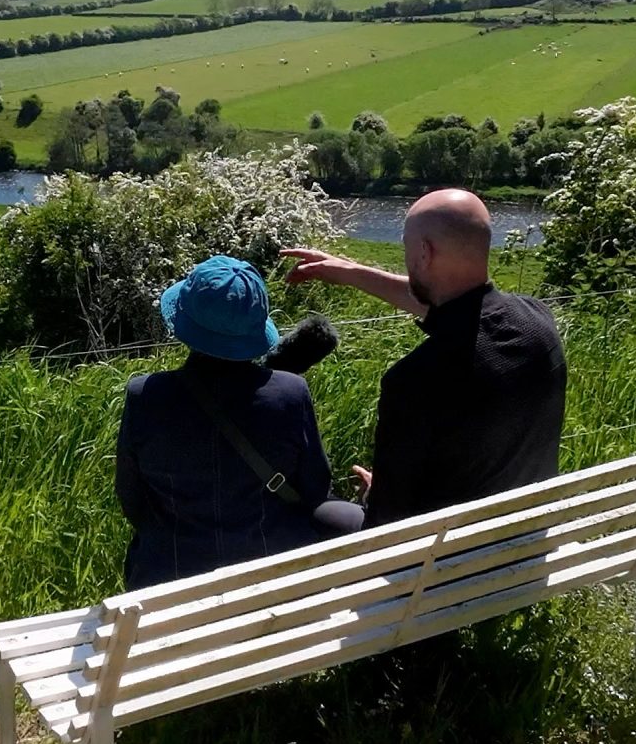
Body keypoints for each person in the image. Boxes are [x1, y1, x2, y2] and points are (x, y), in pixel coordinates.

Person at [283, 189, 566, 525]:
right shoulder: (538, 322)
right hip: (526, 537)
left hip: (444, 562)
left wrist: (374, 493)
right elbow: (456, 311)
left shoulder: (416, 380)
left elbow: (387, 523)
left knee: (321, 514)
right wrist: (349, 270)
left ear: (423, 252)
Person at [115, 256, 362, 590]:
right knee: (350, 517)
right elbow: (315, 488)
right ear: (256, 327)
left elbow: (132, 500)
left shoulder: (145, 394)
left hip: (168, 580)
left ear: (185, 322)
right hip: (271, 580)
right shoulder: (290, 392)